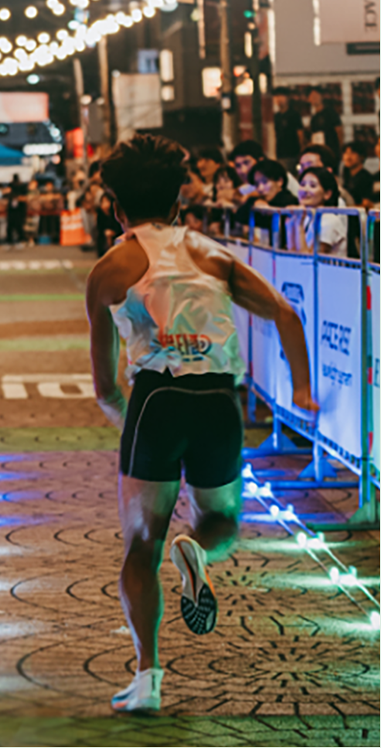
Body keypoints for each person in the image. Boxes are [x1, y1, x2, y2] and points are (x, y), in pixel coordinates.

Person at [85, 133, 316, 713]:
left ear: (115, 206)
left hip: (156, 400)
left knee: (141, 546)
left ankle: (147, 678)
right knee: (222, 521)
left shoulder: (110, 268)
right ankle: (196, 550)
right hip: (218, 400)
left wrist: (126, 419)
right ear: (177, 200)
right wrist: (302, 390)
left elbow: (105, 383)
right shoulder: (211, 254)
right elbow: (286, 314)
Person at [288, 166, 347, 257]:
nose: (305, 190)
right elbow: (292, 253)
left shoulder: (330, 221)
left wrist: (299, 225)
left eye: (313, 186)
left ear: (327, 194)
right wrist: (291, 224)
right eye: (302, 184)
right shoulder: (307, 217)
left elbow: (309, 261)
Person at [308, 89, 343, 164]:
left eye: (316, 96)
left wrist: (341, 149)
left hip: (332, 151)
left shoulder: (330, 112)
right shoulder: (313, 118)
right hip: (320, 153)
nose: (314, 99)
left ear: (321, 96)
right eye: (312, 97)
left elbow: (339, 131)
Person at [341, 140, 375, 210]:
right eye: (345, 153)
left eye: (352, 153)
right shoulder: (346, 175)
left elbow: (366, 205)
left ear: (361, 156)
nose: (348, 157)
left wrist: (345, 208)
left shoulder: (365, 177)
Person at [273, 91, 304, 168]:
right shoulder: (276, 116)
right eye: (277, 97)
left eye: (282, 96)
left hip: (293, 152)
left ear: (287, 98)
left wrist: (301, 149)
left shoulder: (294, 114)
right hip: (280, 152)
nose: (279, 99)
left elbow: (300, 133)